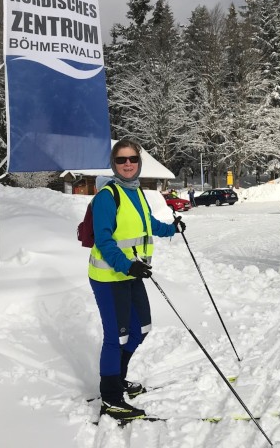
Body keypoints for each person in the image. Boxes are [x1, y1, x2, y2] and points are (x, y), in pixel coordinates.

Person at [89, 138, 186, 422]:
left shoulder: (137, 192)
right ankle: (110, 397)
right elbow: (104, 241)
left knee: (141, 327)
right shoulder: (107, 196)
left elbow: (147, 225)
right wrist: (127, 266)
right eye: (121, 160)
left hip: (132, 274)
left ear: (139, 163)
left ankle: (117, 379)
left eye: (132, 159)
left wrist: (171, 229)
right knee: (115, 337)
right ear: (113, 164)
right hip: (109, 276)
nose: (127, 164)